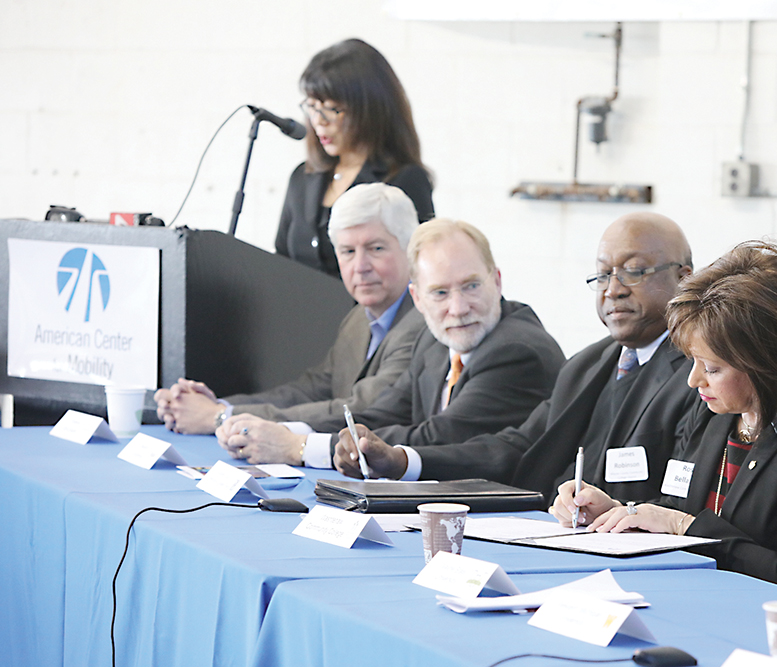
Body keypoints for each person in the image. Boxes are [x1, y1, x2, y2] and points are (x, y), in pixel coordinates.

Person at [562, 241, 777, 603]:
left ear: (765, 362)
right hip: (711, 598)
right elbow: (678, 504)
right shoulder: (717, 410)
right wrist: (620, 512)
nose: (694, 381)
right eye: (693, 362)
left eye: (711, 368)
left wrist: (684, 528)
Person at [333, 212, 699, 505]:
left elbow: (684, 502)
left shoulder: (699, 373)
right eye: (604, 274)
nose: (614, 290)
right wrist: (402, 461)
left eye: (633, 271)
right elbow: (518, 448)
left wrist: (618, 515)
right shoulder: (588, 365)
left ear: (684, 279)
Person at [217, 218, 565, 467]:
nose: (458, 309)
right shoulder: (434, 341)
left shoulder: (517, 351)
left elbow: (439, 437)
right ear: (417, 298)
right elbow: (382, 412)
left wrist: (301, 447)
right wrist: (283, 430)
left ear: (498, 281)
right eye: (440, 293)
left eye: (471, 286)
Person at [155, 183, 426, 443]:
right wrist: (218, 404)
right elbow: (312, 389)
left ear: (410, 248)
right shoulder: (358, 317)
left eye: (376, 248)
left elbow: (364, 409)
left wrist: (220, 417)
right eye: (347, 251)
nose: (360, 266)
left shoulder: (422, 321)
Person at [277, 38, 434, 277]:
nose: (319, 121)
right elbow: (281, 262)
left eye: (332, 108)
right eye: (312, 106)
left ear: (369, 109)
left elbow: (420, 271)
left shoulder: (405, 180)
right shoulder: (303, 177)